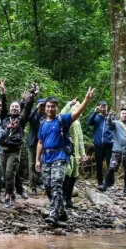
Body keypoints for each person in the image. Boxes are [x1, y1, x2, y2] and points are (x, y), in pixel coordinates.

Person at [35, 88, 95, 227]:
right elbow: (40, 142)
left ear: (57, 108)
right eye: (48, 107)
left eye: (53, 107)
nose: (50, 109)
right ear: (45, 108)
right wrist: (37, 160)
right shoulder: (43, 124)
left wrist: (87, 99)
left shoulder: (63, 119)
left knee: (56, 185)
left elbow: (77, 113)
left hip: (60, 157)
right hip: (46, 158)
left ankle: (54, 214)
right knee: (48, 187)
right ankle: (61, 211)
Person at [0, 82, 35, 207]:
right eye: (12, 106)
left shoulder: (21, 119)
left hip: (15, 150)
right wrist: (3, 92)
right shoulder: (4, 118)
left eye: (16, 107)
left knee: (9, 173)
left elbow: (28, 108)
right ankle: (18, 190)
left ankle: (8, 195)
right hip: (3, 150)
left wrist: (32, 95)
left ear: (20, 109)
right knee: (6, 174)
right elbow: (2, 106)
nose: (14, 108)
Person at [98, 107, 126, 194]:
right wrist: (110, 115)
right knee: (112, 168)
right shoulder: (116, 123)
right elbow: (109, 123)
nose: (125, 115)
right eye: (123, 114)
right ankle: (105, 185)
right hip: (117, 150)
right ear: (120, 114)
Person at [60, 100, 86, 208]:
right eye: (76, 107)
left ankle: (69, 199)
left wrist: (83, 153)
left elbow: (80, 139)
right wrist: (69, 105)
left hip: (75, 153)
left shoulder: (78, 123)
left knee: (74, 175)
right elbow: (61, 115)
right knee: (67, 173)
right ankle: (63, 199)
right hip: (66, 151)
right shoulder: (66, 120)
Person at [88, 100, 113, 188]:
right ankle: (100, 182)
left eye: (104, 106)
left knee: (111, 163)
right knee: (99, 164)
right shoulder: (96, 117)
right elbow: (89, 122)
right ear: (99, 107)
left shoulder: (111, 117)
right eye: (101, 107)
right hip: (98, 145)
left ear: (107, 107)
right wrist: (95, 111)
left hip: (109, 144)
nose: (103, 108)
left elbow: (114, 127)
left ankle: (110, 182)